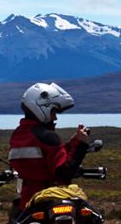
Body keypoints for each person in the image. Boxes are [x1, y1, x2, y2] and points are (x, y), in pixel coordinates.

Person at [8, 82, 89, 211]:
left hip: (28, 204)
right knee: (90, 217)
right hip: (51, 200)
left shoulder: (18, 136)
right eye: (53, 111)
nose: (55, 117)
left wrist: (73, 142)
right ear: (42, 108)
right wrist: (81, 146)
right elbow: (63, 173)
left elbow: (43, 159)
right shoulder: (48, 137)